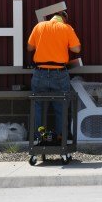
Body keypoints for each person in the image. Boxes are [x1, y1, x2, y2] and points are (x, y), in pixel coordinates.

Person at [27, 10, 81, 139]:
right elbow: (77, 49)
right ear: (64, 19)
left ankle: (38, 137)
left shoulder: (39, 26)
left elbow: (29, 47)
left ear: (52, 17)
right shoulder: (66, 28)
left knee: (38, 107)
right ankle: (60, 137)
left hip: (40, 72)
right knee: (61, 107)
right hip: (59, 73)